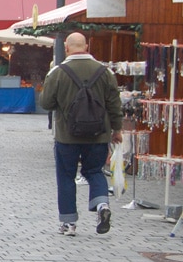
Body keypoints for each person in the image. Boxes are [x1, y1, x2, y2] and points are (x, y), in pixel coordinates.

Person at [40, 32, 123, 236]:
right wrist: (117, 129)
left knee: (66, 176)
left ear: (67, 48)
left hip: (66, 136)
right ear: (87, 47)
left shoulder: (57, 72)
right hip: (98, 134)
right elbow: (114, 104)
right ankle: (102, 205)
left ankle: (69, 223)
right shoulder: (105, 72)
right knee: (94, 171)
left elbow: (46, 103)